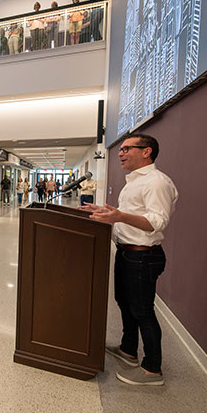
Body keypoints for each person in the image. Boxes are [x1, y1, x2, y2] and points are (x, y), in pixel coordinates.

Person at [80, 133, 178, 386]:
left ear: (147, 152)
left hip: (143, 256)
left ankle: (152, 369)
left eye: (127, 149)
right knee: (124, 303)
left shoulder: (156, 182)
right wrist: (105, 212)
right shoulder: (133, 181)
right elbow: (127, 215)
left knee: (143, 311)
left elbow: (157, 223)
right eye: (121, 149)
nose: (121, 153)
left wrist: (120, 216)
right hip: (126, 252)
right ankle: (128, 350)